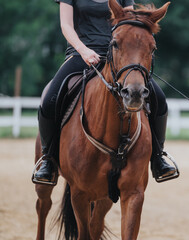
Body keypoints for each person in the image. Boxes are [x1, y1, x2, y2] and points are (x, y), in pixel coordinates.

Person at [33, 0, 176, 185]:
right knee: (49, 99)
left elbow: (128, 25)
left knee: (159, 99)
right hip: (80, 55)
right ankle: (48, 159)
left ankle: (158, 157)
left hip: (118, 55)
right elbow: (66, 25)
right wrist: (83, 50)